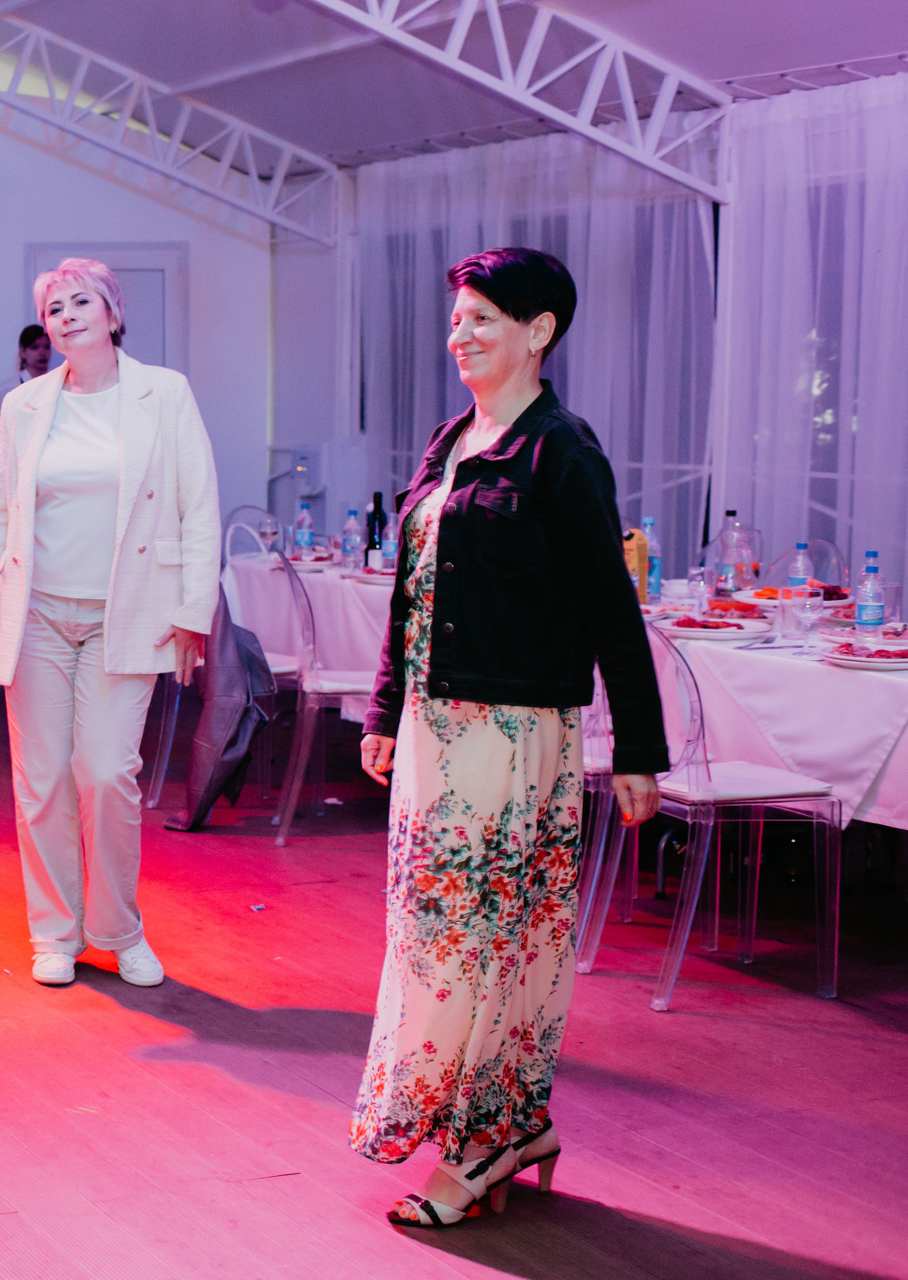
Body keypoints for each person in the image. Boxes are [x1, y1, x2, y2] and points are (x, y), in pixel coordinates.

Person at [351, 247, 667, 1227]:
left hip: (514, 734)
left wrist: (639, 748)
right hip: (435, 728)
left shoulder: (561, 451)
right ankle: (511, 1125)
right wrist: (384, 707)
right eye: (457, 318)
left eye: (483, 317)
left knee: (489, 945)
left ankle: (486, 1139)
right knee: (435, 938)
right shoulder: (452, 438)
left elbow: (611, 608)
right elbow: (412, 592)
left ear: (539, 331)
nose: (461, 335)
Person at [0, 258, 219, 988]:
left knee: (107, 774)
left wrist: (192, 614)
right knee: (44, 781)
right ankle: (55, 932)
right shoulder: (26, 405)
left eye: (81, 302)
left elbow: (199, 506)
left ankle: (119, 930)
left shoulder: (164, 393)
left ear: (113, 313)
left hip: (129, 614)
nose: (67, 316)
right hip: (39, 616)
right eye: (54, 309)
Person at [0, 324, 52, 424]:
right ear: (22, 352)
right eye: (35, 347)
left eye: (46, 347)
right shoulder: (9, 389)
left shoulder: (56, 385)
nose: (42, 352)